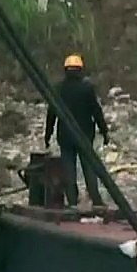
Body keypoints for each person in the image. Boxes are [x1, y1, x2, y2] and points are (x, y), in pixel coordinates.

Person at [44, 54, 110, 208]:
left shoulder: (59, 89)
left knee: (69, 169)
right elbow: (96, 111)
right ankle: (96, 199)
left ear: (65, 70)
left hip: (65, 136)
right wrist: (104, 131)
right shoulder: (87, 88)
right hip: (85, 135)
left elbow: (51, 114)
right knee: (89, 168)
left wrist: (47, 135)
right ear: (80, 70)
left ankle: (72, 201)